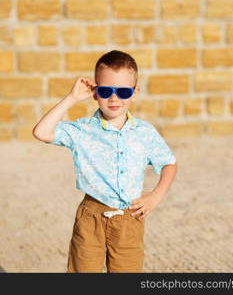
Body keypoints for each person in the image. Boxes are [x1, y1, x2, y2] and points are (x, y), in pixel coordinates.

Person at [32, 50, 178, 273]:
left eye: (122, 91)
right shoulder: (82, 130)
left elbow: (169, 162)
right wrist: (71, 98)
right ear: (95, 92)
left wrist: (156, 195)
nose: (114, 98)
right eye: (106, 90)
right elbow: (41, 132)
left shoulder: (144, 132)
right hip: (91, 217)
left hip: (130, 219)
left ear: (135, 92)